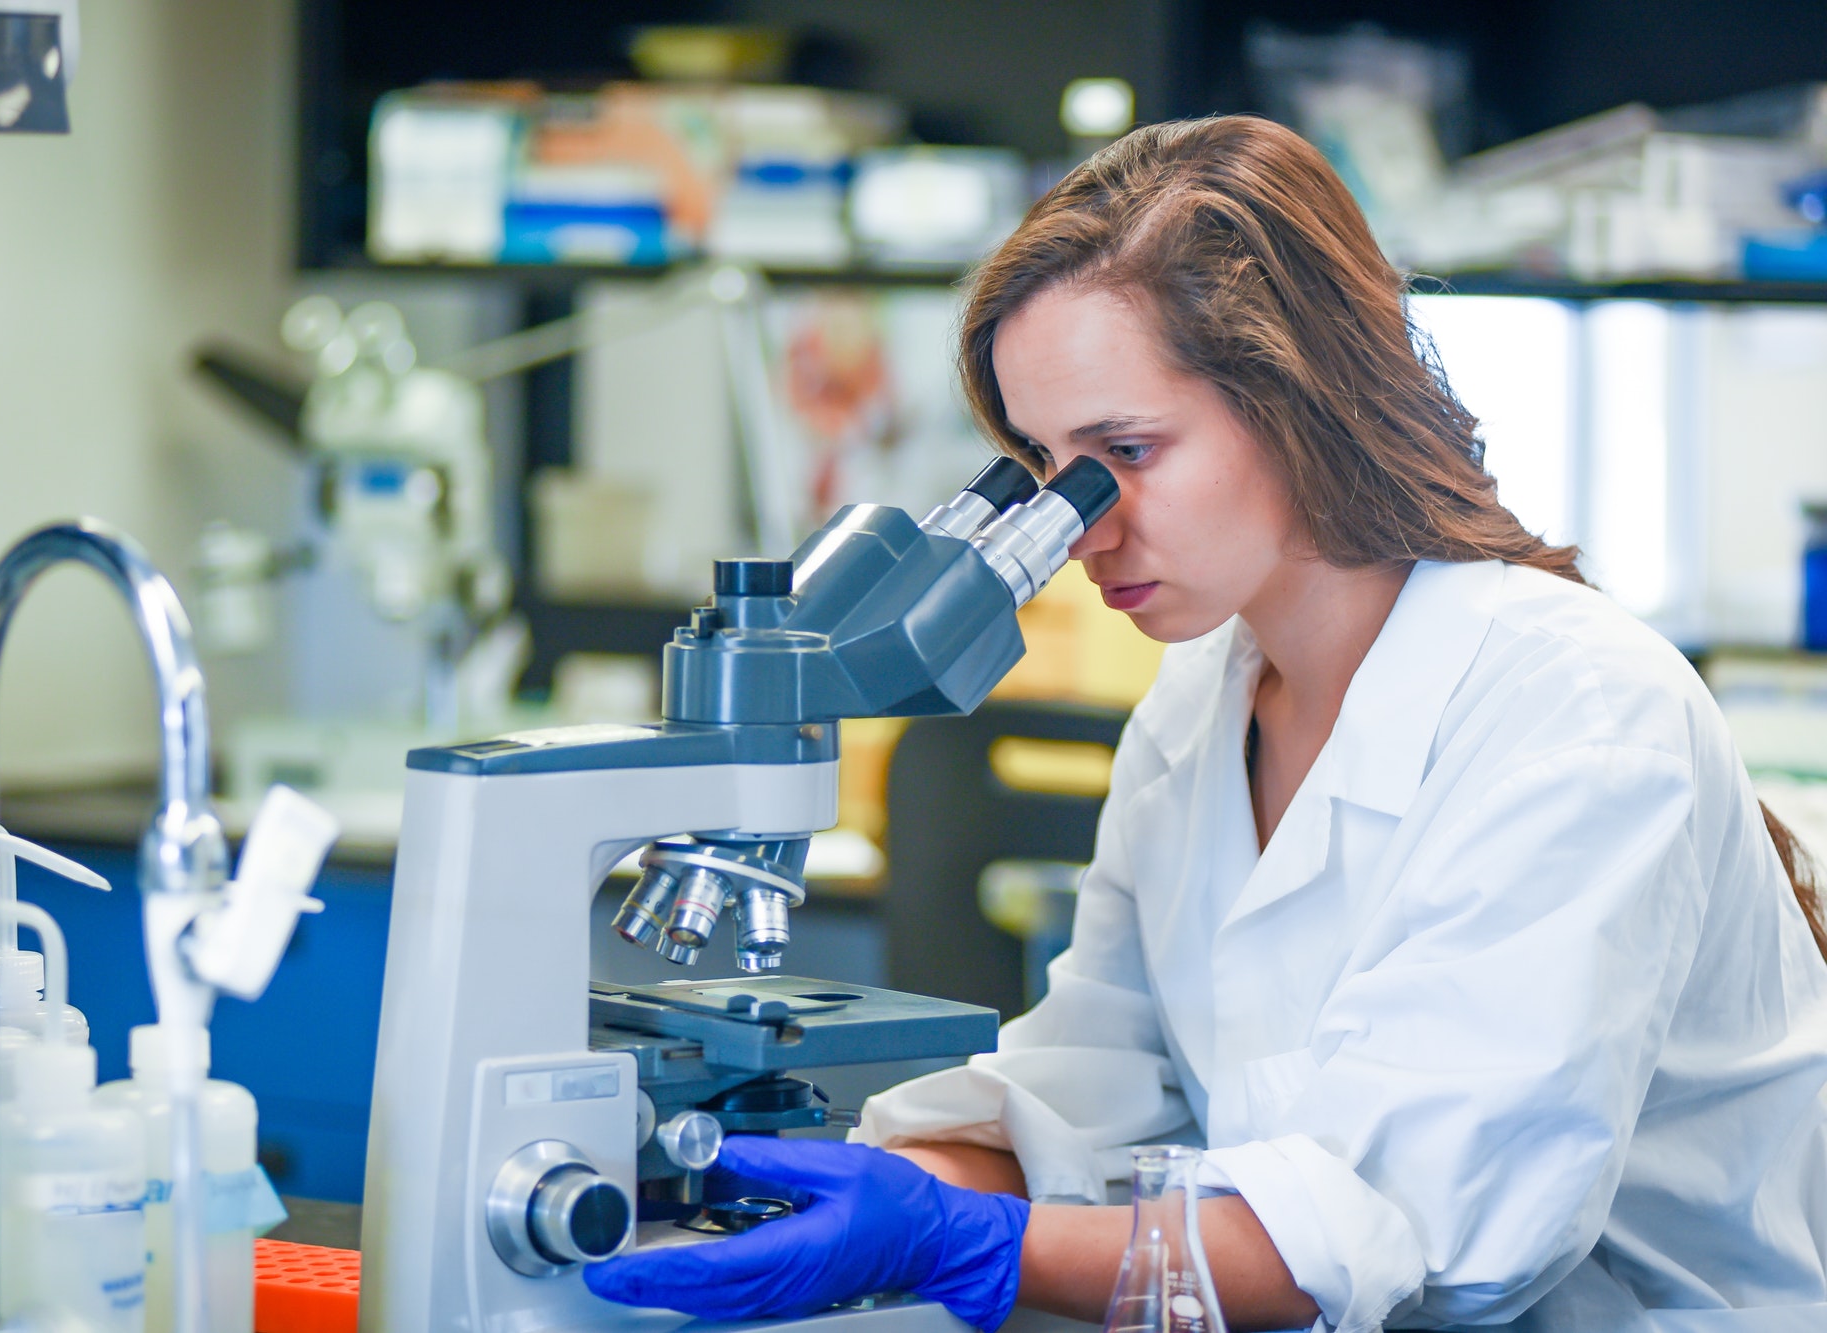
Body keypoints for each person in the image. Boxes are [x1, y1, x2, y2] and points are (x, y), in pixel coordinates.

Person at [584, 115, 1827, 1333]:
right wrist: (846, 1196)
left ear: (1297, 400)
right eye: (1043, 468)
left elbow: (1427, 1241)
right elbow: (1098, 1090)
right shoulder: (1198, 706)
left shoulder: (1575, 717)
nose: (1081, 529)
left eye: (1123, 451)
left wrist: (959, 1242)